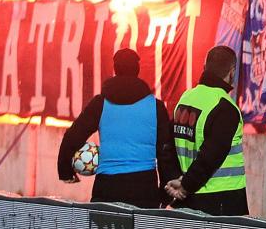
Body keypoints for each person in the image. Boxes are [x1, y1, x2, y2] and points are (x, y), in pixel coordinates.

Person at [56, 47, 179, 205]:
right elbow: (165, 153)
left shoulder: (100, 103)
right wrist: (165, 191)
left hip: (107, 186)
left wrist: (65, 170)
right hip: (143, 186)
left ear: (115, 69)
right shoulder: (155, 107)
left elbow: (73, 136)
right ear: (138, 70)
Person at [166, 45, 248, 215]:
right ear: (232, 72)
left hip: (189, 197)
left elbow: (170, 146)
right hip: (221, 199)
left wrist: (179, 182)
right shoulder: (226, 107)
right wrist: (186, 185)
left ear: (205, 68)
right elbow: (211, 156)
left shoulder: (186, 98)